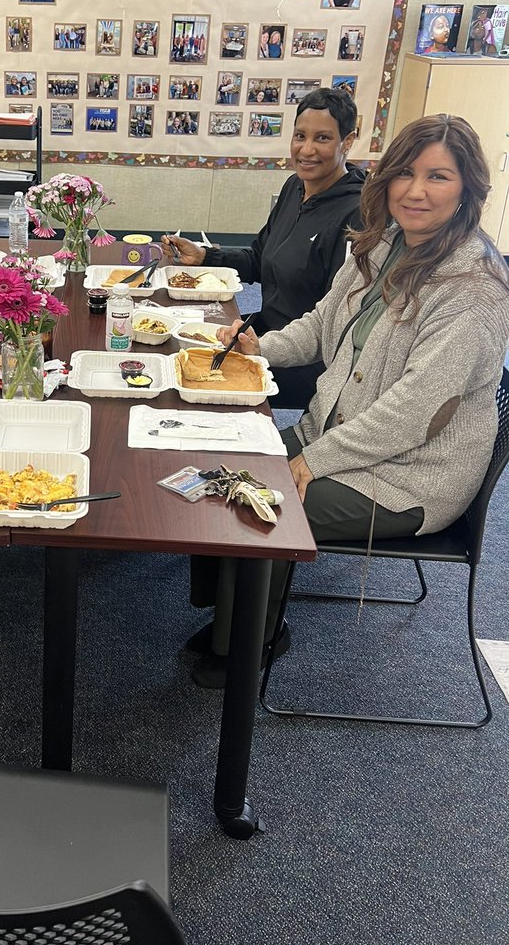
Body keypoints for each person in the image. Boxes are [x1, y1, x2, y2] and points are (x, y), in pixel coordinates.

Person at [188, 113, 509, 689]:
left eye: (438, 176)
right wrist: (257, 348)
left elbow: (412, 412)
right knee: (220, 465)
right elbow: (320, 325)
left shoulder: (474, 289)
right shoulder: (383, 244)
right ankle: (231, 615)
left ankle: (248, 642)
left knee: (254, 503)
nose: (415, 191)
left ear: (468, 190)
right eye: (404, 173)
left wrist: (311, 462)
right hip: (334, 433)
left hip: (407, 478)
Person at [163, 87, 365, 411]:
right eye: (300, 136)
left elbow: (336, 325)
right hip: (258, 332)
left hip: (302, 363)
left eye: (323, 138)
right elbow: (259, 258)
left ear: (348, 141)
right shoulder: (294, 186)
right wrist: (205, 256)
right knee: (174, 342)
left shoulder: (357, 215)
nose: (307, 149)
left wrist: (262, 347)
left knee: (189, 382)